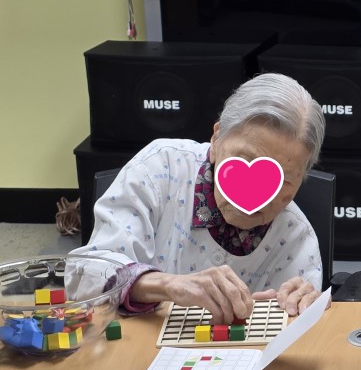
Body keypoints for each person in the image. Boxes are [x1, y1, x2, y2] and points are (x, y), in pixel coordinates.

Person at [69, 73, 327, 324]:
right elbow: (83, 275)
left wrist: (303, 310)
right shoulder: (159, 168)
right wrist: (168, 286)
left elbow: (297, 338)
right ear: (216, 139)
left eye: (284, 180)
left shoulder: (297, 239)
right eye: (246, 160)